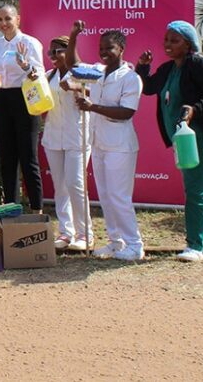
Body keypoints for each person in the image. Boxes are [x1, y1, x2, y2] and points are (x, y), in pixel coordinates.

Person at [136, 21, 203, 262]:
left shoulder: (199, 64)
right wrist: (143, 68)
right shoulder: (169, 68)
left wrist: (194, 110)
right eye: (166, 39)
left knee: (198, 190)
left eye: (174, 40)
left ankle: (194, 246)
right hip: (186, 139)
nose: (167, 44)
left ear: (187, 44)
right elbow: (148, 88)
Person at [67, 20, 144, 261]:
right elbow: (73, 65)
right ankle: (115, 242)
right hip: (99, 143)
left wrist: (92, 107)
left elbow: (127, 112)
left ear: (121, 48)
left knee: (119, 196)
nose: (103, 52)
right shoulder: (97, 72)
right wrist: (73, 36)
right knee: (106, 196)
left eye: (109, 48)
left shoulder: (131, 78)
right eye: (101, 48)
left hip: (120, 146)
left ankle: (135, 245)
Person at [0, 3, 45, 211]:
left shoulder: (30, 42)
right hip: (1, 100)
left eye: (8, 19)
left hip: (24, 97)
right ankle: (10, 209)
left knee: (28, 158)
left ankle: (36, 209)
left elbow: (39, 73)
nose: (4, 24)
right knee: (7, 159)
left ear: (17, 19)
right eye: (0, 20)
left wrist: (27, 67)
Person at [41, 35, 92, 251]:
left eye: (58, 51)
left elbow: (94, 92)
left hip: (76, 136)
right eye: (50, 52)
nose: (53, 56)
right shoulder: (47, 75)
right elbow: (40, 102)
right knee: (60, 187)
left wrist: (74, 88)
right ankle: (65, 232)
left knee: (75, 184)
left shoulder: (81, 73)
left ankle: (84, 234)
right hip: (53, 136)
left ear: (68, 51)